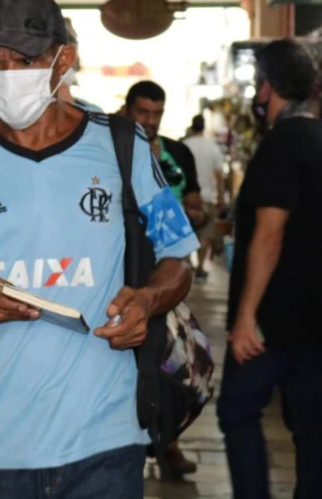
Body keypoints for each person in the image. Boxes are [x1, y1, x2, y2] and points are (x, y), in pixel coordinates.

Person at [0, 0, 197, 498]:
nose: (4, 76)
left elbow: (178, 256)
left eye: (22, 59)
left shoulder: (122, 146)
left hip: (104, 441)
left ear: (63, 59)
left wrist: (147, 301)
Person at [217, 38, 322, 499]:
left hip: (274, 320)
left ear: (266, 88)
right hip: (317, 318)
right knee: (311, 425)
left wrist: (245, 317)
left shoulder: (281, 145)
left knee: (237, 411)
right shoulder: (318, 139)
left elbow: (269, 235)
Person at [124, 80, 205, 478]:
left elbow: (194, 200)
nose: (150, 121)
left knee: (174, 364)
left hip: (168, 274)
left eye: (156, 114)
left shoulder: (180, 153)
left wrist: (192, 215)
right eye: (143, 113)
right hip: (126, 274)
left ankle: (167, 441)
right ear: (127, 110)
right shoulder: (115, 152)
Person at [182, 114, 226, 282]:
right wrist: (221, 199)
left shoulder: (184, 146)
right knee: (205, 235)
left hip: (187, 198)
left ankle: (186, 267)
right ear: (204, 127)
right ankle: (200, 267)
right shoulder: (213, 148)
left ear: (192, 127)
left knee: (186, 233)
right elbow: (219, 176)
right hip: (206, 197)